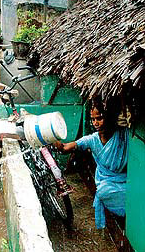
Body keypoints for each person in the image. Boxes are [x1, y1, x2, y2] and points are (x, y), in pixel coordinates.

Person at [54, 98, 129, 229]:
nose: (96, 123)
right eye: (93, 119)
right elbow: (65, 148)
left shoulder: (123, 136)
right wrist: (52, 136)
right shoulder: (92, 140)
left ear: (109, 118)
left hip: (125, 178)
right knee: (103, 192)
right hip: (106, 182)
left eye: (99, 118)